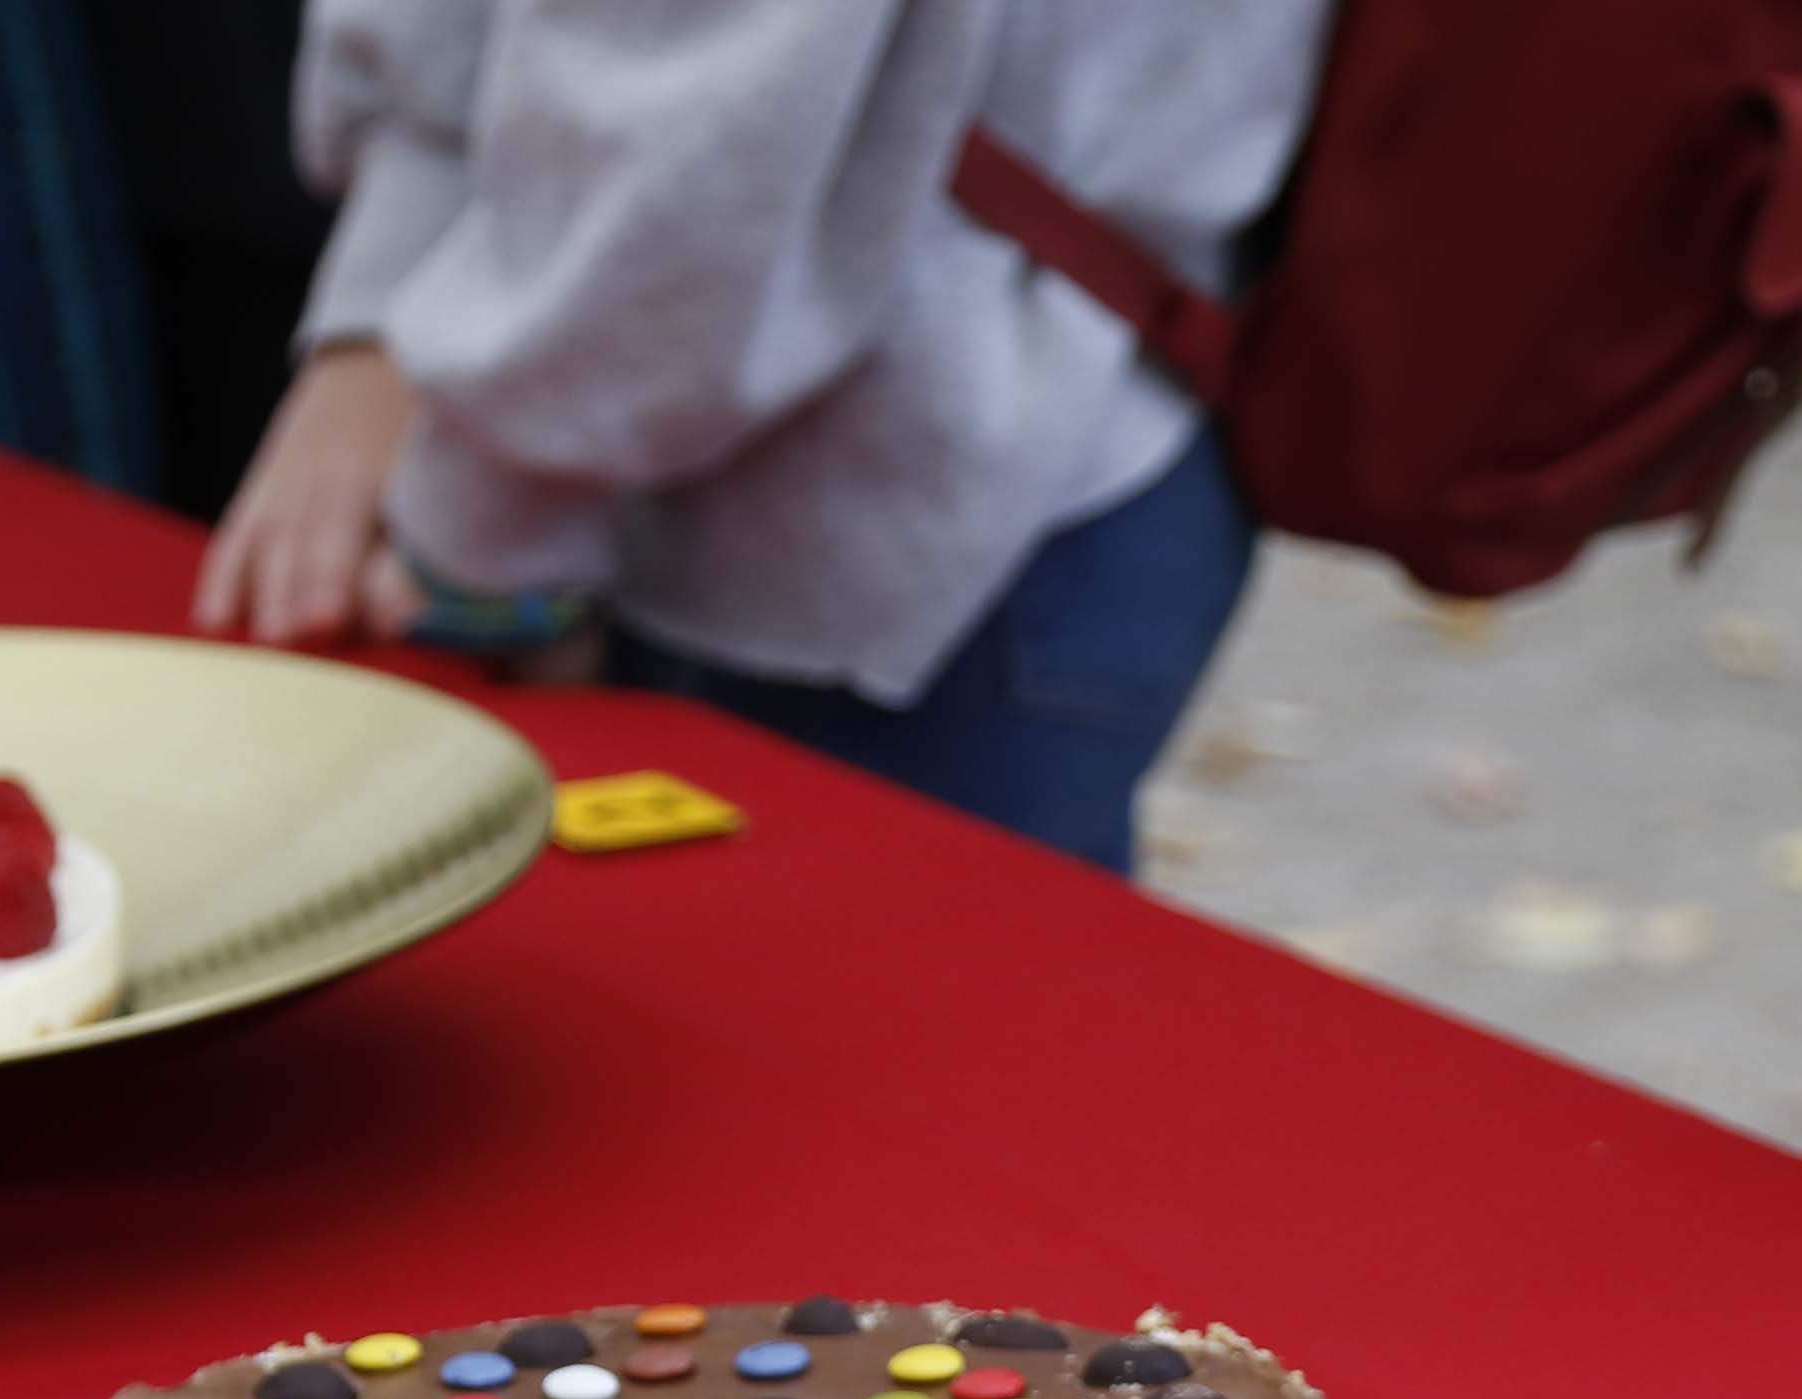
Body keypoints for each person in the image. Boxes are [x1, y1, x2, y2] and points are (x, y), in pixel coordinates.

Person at [192, 0, 1326, 874]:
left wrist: (490, 542)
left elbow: (694, 136)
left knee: (852, 1123)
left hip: (891, 489)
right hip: (1056, 409)